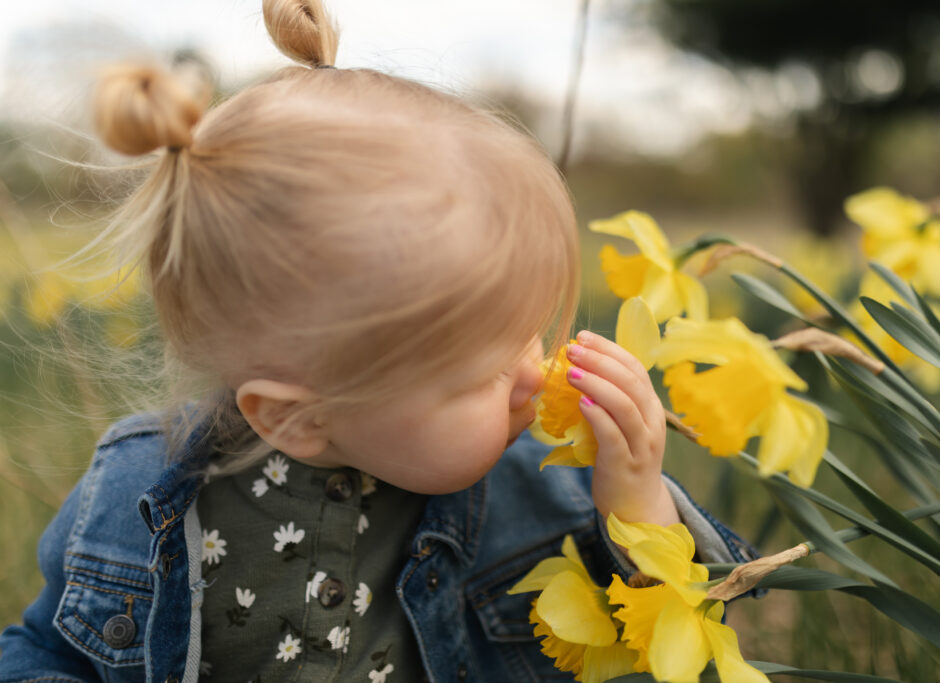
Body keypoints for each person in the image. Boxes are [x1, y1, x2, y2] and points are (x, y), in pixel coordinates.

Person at [0, 1, 757, 681]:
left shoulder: (525, 482)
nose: (533, 372)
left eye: (526, 330)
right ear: (295, 416)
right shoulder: (140, 497)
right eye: (481, 374)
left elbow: (672, 626)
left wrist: (636, 503)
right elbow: (43, 651)